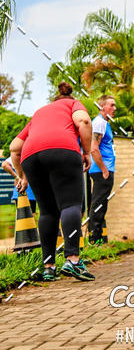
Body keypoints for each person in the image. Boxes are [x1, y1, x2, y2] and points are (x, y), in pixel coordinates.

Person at [9, 82, 94, 281]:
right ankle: (72, 260)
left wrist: (22, 176)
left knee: (47, 211)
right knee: (70, 204)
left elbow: (15, 148)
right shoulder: (73, 105)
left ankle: (49, 267)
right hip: (63, 150)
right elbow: (84, 122)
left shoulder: (40, 113)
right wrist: (87, 152)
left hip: (30, 157)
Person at [89, 95, 117, 243]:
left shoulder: (104, 123)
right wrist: (104, 169)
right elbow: (94, 149)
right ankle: (94, 239)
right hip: (101, 170)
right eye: (111, 105)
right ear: (102, 106)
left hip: (104, 169)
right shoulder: (99, 123)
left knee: (102, 204)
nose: (114, 109)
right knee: (98, 204)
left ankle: (98, 238)